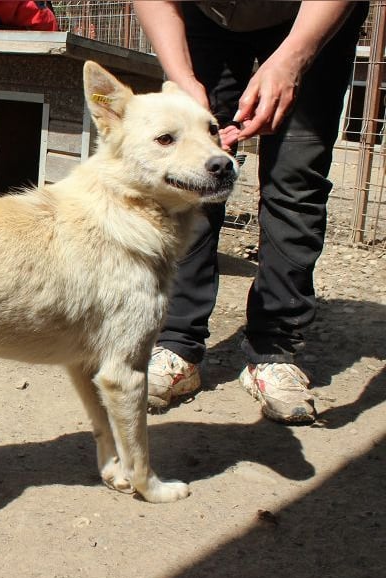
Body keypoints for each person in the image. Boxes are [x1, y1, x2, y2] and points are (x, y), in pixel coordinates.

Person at [132, 1, 368, 424]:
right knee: (190, 174)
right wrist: (182, 77)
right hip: (206, 17)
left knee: (296, 179)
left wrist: (293, 59)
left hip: (310, 14)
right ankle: (177, 345)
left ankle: (274, 352)